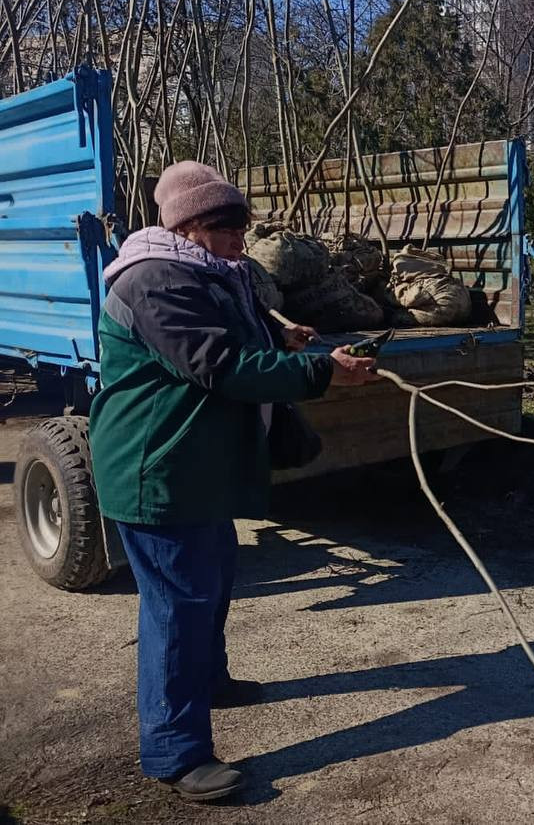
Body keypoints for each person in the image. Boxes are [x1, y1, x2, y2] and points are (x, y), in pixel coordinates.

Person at [88, 161, 377, 802]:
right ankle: (174, 752)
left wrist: (288, 336)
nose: (242, 241)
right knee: (178, 606)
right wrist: (320, 375)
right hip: (156, 468)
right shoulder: (152, 279)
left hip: (197, 466)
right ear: (190, 227)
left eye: (244, 228)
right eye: (230, 229)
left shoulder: (207, 269)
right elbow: (217, 361)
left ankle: (208, 680)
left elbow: (238, 328)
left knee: (211, 582)